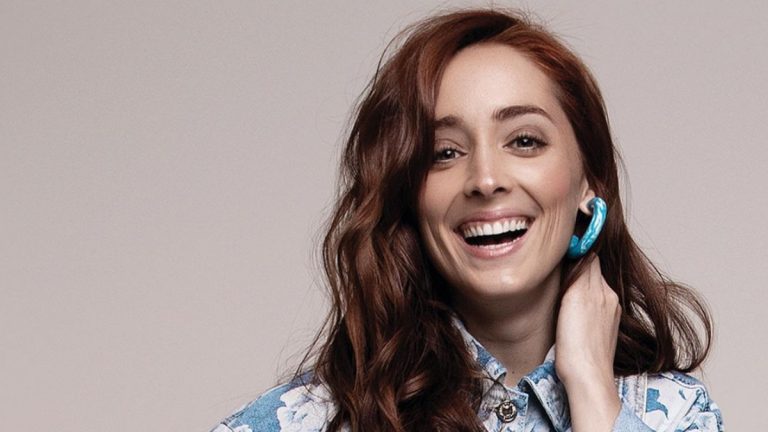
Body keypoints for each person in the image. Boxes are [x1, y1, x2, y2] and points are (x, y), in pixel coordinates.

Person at [211, 8, 723, 432]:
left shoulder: (673, 415)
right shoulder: (303, 422)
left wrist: (592, 390)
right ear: (408, 193)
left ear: (588, 180)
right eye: (445, 152)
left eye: (524, 141)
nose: (485, 179)